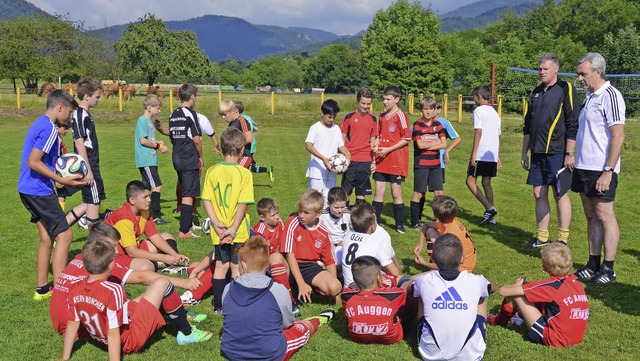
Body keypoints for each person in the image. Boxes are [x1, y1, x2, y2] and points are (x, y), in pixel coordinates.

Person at [60, 238, 212, 360]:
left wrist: (65, 357)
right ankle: (187, 333)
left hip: (101, 338)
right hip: (129, 340)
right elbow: (114, 333)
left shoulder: (76, 286)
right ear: (110, 265)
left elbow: (73, 323)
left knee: (150, 293)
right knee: (163, 283)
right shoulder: (114, 290)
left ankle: (179, 313)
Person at [50, 221, 204, 337]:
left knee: (123, 295)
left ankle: (178, 312)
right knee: (160, 287)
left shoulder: (78, 260)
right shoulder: (100, 264)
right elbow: (143, 277)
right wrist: (184, 283)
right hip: (81, 328)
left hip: (64, 323)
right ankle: (184, 326)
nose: (117, 251)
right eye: (113, 246)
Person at [220, 236, 335, 361]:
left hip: (230, 351)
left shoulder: (228, 288)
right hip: (269, 354)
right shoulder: (277, 290)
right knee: (301, 328)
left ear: (243, 264)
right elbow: (287, 323)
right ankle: (317, 320)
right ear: (267, 263)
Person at [18, 89, 84, 300]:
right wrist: (62, 180)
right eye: (69, 112)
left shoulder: (39, 122)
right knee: (65, 235)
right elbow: (34, 161)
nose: (69, 118)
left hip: (27, 189)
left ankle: (42, 289)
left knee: (47, 237)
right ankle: (62, 290)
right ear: (60, 108)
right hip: (38, 190)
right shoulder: (48, 128)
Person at [572, 52, 626, 284]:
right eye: (578, 74)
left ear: (598, 71)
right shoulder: (589, 97)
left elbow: (618, 135)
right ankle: (593, 263)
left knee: (605, 216)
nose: (580, 78)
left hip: (601, 168)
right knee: (591, 215)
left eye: (583, 74)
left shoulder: (610, 95)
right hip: (583, 166)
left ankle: (608, 268)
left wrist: (608, 170)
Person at [522, 53, 579, 248]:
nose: (541, 72)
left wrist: (570, 153)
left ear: (556, 69)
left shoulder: (566, 88)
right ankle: (542, 238)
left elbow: (572, 122)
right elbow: (528, 125)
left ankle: (562, 238)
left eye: (545, 69)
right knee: (538, 192)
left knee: (560, 193)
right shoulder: (536, 91)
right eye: (539, 68)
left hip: (557, 150)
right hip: (537, 152)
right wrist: (524, 152)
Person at [490, 243, 589, 347]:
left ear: (544, 267)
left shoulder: (550, 287)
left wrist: (517, 285)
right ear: (570, 264)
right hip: (576, 337)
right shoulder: (576, 283)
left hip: (555, 339)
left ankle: (498, 322)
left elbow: (503, 291)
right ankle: (517, 317)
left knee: (517, 294)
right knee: (532, 294)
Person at [413, 234, 493, 361]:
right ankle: (473, 338)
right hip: (471, 356)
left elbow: (408, 287)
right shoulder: (476, 280)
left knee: (419, 294)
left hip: (431, 355)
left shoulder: (425, 280)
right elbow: (493, 287)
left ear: (432, 259)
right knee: (482, 295)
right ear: (462, 258)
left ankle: (430, 337)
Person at [201, 127, 255, 314]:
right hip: (237, 230)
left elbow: (206, 199)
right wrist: (232, 229)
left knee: (221, 266)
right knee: (237, 267)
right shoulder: (244, 174)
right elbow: (243, 204)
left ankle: (218, 306)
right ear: (241, 151)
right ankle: (237, 303)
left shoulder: (212, 171)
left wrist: (215, 223)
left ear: (221, 149)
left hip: (219, 230)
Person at [105, 180, 190, 272]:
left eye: (149, 196)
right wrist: (164, 257)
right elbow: (132, 252)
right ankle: (156, 263)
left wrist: (174, 255)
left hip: (131, 248)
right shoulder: (124, 218)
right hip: (113, 256)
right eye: (145, 197)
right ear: (132, 200)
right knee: (147, 267)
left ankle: (172, 267)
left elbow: (155, 237)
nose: (149, 200)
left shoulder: (144, 212)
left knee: (167, 236)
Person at [283, 189, 342, 303]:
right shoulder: (293, 222)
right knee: (277, 260)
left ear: (319, 213)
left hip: (309, 267)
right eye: (300, 211)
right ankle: (290, 293)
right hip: (290, 263)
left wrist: (335, 294)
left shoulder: (323, 231)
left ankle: (311, 288)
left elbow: (329, 261)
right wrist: (301, 283)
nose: (301, 215)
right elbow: (290, 255)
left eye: (306, 212)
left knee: (335, 287)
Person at [341, 256, 413, 344]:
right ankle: (407, 326)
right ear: (378, 277)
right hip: (392, 338)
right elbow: (407, 285)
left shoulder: (346, 295)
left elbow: (353, 285)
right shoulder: (394, 294)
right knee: (414, 294)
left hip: (356, 338)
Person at [372, 86, 411, 234]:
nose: (384, 101)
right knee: (379, 191)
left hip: (396, 161)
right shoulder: (381, 116)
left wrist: (388, 150)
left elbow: (407, 138)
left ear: (397, 99)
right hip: (381, 160)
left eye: (388, 99)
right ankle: (375, 224)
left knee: (396, 192)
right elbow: (378, 136)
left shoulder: (401, 116)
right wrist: (376, 145)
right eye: (383, 98)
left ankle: (399, 225)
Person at [168, 84, 203, 238]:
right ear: (192, 97)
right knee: (188, 193)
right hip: (189, 158)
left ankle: (188, 223)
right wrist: (200, 156)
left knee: (184, 189)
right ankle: (184, 231)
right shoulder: (191, 114)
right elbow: (196, 139)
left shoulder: (172, 114)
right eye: (196, 96)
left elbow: (171, 137)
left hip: (177, 157)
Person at [252, 197, 297, 315]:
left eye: (277, 213)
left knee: (277, 257)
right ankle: (286, 301)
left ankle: (289, 299)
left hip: (280, 261)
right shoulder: (259, 232)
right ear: (262, 217)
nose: (277, 217)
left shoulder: (279, 222)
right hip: (267, 265)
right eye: (273, 215)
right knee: (275, 258)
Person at [71, 77, 105, 228]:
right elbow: (79, 143)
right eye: (97, 97)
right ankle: (94, 243)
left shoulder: (85, 114)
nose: (99, 99)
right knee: (93, 202)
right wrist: (88, 170)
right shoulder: (80, 114)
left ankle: (58, 229)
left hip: (91, 163)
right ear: (86, 97)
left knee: (89, 202)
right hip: (88, 164)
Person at [341, 202, 399, 287]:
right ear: (373, 226)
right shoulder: (375, 243)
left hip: (348, 287)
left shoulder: (348, 236)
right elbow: (395, 272)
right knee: (399, 279)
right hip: (364, 287)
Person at [466, 85, 501, 225]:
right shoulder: (494, 112)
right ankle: (490, 217)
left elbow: (478, 132)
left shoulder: (478, 111)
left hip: (481, 153)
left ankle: (489, 208)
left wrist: (474, 153)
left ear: (479, 97)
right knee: (486, 182)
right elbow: (498, 135)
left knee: (470, 181)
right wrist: (497, 155)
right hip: (491, 154)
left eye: (474, 97)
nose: (474, 100)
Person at [410, 96, 447, 229]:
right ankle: (415, 222)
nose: (428, 111)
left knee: (439, 193)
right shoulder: (417, 125)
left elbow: (444, 144)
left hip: (436, 165)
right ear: (421, 110)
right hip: (421, 165)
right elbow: (419, 145)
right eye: (425, 109)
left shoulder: (439, 125)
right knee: (419, 194)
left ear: (434, 109)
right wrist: (436, 142)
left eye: (431, 108)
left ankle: (442, 221)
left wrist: (429, 145)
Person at [413, 195, 476, 272]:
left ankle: (436, 268)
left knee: (413, 280)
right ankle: (434, 265)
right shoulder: (450, 222)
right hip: (466, 260)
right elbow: (426, 225)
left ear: (435, 216)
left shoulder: (450, 237)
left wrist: (423, 263)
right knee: (430, 230)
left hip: (461, 269)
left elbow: (459, 262)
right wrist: (420, 244)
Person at [305, 99, 351, 202]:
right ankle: (312, 217)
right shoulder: (315, 128)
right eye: (329, 117)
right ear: (322, 113)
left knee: (328, 197)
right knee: (315, 198)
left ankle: (324, 218)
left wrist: (347, 154)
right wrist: (324, 159)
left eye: (334, 117)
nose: (332, 119)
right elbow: (308, 146)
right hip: (317, 170)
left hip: (332, 169)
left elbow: (341, 147)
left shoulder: (336, 128)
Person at [135, 94, 171, 225]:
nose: (159, 111)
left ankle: (139, 211)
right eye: (157, 108)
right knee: (157, 186)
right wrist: (158, 146)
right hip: (146, 160)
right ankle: (155, 215)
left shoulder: (149, 122)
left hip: (150, 159)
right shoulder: (142, 121)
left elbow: (149, 140)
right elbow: (143, 141)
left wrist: (157, 142)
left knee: (147, 188)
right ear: (149, 108)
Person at [340, 87, 379, 205]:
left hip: (365, 161)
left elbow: (373, 141)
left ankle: (358, 220)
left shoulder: (373, 119)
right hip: (350, 159)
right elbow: (341, 138)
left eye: (368, 104)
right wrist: (343, 156)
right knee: (346, 193)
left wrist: (373, 161)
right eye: (363, 103)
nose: (366, 106)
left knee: (361, 194)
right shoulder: (349, 117)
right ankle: (344, 220)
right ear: (358, 101)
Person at [235, 100, 274, 181]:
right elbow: (256, 128)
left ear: (236, 110)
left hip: (246, 144)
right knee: (248, 164)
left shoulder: (240, 119)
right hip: (252, 143)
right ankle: (267, 170)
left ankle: (242, 180)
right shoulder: (248, 117)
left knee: (244, 164)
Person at [319, 187, 351, 268]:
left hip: (344, 246)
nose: (340, 210)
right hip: (327, 246)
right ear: (328, 204)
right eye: (336, 207)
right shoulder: (322, 215)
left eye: (343, 207)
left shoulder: (349, 214)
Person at [219, 99, 254, 169]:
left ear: (232, 111)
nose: (223, 117)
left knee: (235, 173)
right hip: (233, 157)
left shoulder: (242, 121)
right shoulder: (232, 123)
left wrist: (234, 145)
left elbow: (249, 138)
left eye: (225, 114)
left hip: (244, 156)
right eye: (222, 115)